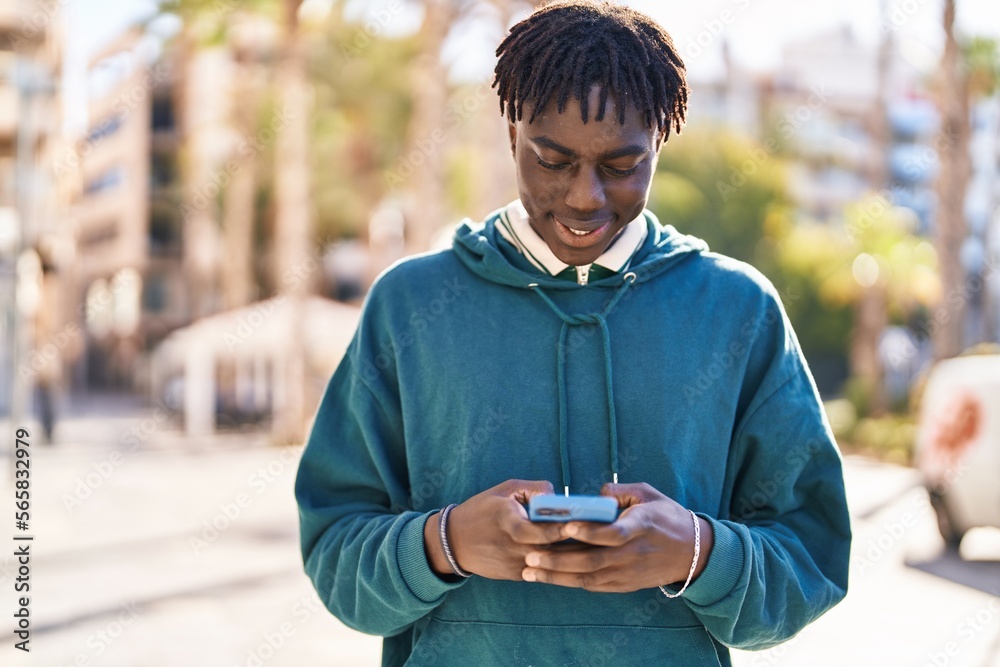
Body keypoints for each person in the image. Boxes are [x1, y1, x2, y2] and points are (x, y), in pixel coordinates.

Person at [294, 2, 851, 665]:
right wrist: (447, 543)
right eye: (552, 159)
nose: (585, 197)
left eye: (621, 164)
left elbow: (811, 556)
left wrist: (698, 552)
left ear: (659, 144)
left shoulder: (737, 310)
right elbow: (334, 549)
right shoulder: (410, 304)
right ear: (511, 134)